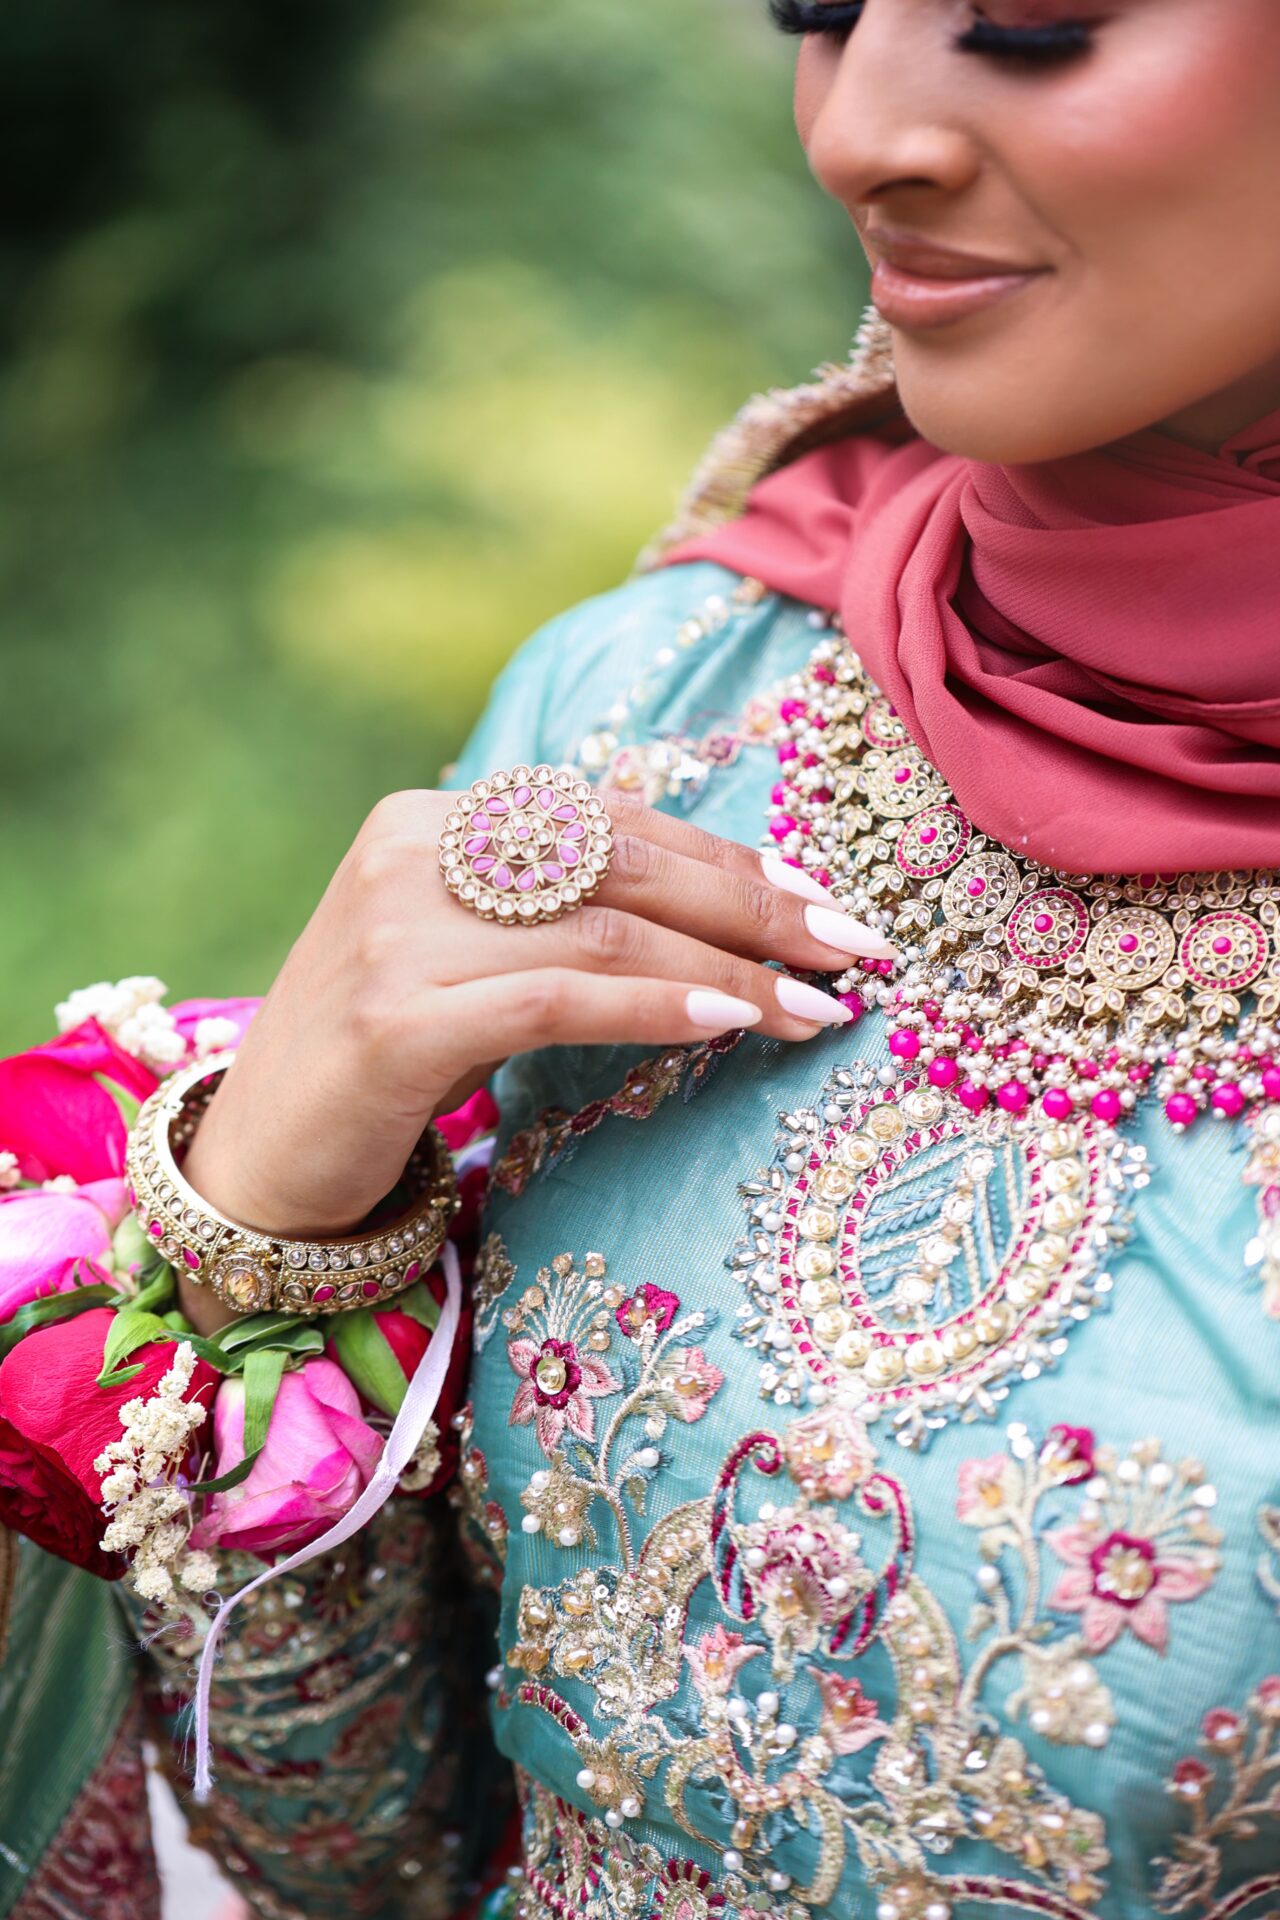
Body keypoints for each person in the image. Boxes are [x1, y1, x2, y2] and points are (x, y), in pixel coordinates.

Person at [2, 2, 1279, 1915]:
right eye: (819, 11)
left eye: (1030, 17)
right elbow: (353, 1859)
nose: (862, 132)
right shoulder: (650, 707)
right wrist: (269, 1210)